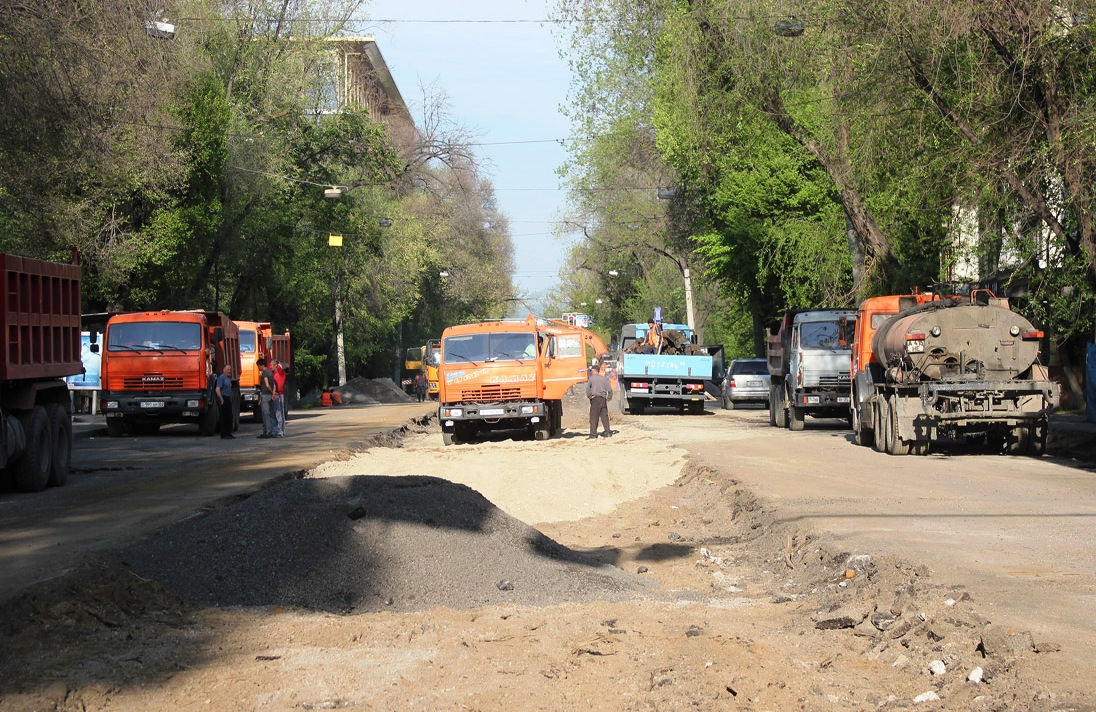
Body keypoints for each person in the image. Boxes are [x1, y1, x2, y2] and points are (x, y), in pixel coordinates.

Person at [585, 361, 613, 439]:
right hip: (603, 399)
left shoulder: (591, 379)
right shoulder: (604, 379)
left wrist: (590, 397)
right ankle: (607, 432)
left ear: (593, 371)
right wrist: (608, 399)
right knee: (604, 416)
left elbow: (587, 389)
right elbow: (610, 390)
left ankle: (593, 434)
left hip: (595, 399)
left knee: (594, 417)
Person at [257, 358, 275, 438]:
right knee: (270, 414)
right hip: (270, 395)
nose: (258, 367)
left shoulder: (264, 373)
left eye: (259, 366)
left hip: (265, 395)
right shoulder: (270, 372)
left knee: (265, 414)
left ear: (261, 365)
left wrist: (272, 392)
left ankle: (267, 432)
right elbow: (273, 384)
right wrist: (273, 393)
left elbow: (267, 385)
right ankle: (269, 431)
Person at [216, 364, 234, 439]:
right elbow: (217, 389)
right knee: (224, 417)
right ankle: (224, 434)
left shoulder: (228, 378)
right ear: (224, 370)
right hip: (223, 398)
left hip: (228, 398)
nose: (229, 371)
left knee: (229, 417)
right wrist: (221, 399)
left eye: (230, 369)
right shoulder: (221, 378)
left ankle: (228, 433)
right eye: (228, 370)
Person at [271, 359, 287, 437]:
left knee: (280, 414)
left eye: (272, 365)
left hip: (280, 395)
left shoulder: (281, 373)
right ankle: (274, 431)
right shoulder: (273, 374)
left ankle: (281, 431)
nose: (270, 367)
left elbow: (280, 368)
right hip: (274, 394)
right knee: (274, 414)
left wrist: (278, 364)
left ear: (276, 366)